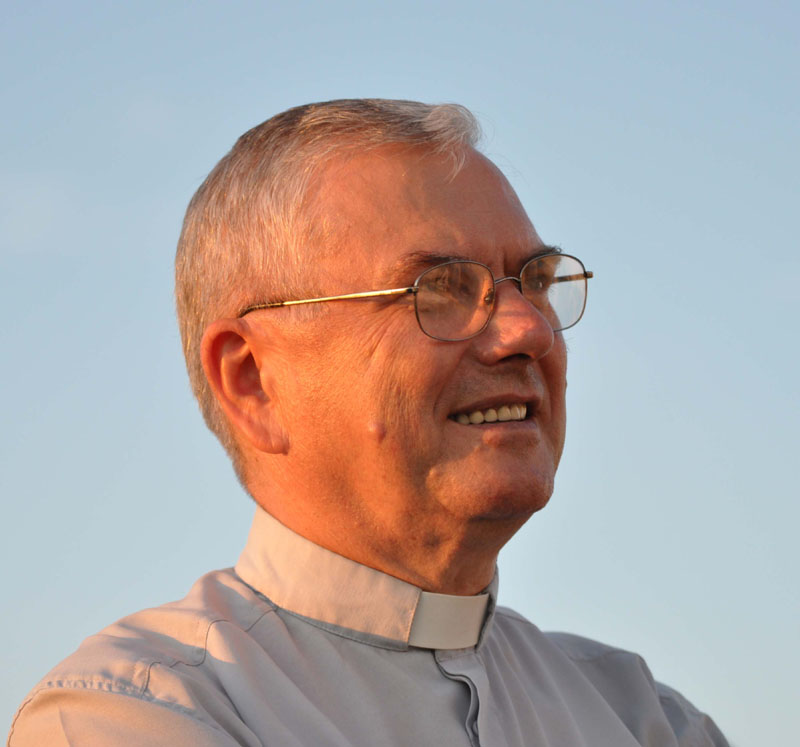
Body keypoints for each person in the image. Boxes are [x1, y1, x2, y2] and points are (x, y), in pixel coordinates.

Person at [8, 99, 729, 746]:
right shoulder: (135, 715)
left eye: (535, 281)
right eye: (441, 288)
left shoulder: (642, 720)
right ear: (252, 381)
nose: (528, 331)